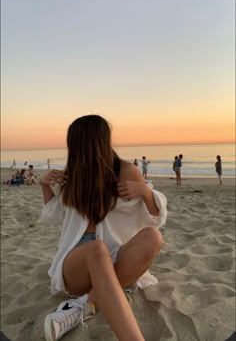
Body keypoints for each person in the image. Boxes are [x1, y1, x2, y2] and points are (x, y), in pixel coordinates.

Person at [39, 115, 167, 341]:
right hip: (79, 263)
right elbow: (53, 216)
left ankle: (84, 304)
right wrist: (44, 185)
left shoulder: (126, 171)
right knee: (96, 249)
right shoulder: (72, 175)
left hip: (117, 257)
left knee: (153, 237)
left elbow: (155, 218)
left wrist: (146, 192)